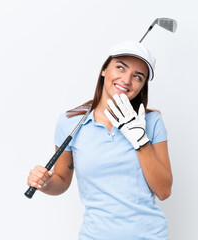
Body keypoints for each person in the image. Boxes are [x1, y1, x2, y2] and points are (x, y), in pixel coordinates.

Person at [27, 41, 173, 239]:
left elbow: (164, 191)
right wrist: (45, 182)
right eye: (120, 67)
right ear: (104, 69)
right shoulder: (70, 122)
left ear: (142, 86)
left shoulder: (151, 122)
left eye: (138, 77)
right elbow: (61, 181)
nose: (127, 80)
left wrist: (140, 141)